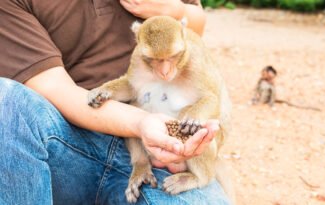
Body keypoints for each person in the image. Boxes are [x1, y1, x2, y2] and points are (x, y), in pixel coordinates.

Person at [0, 0, 229, 204]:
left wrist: (171, 8)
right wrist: (141, 123)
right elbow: (52, 86)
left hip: (165, 145)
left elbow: (194, 23)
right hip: (65, 141)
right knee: (6, 97)